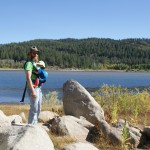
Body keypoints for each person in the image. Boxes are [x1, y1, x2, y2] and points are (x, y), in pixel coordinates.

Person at [24, 46, 43, 124]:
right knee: (34, 109)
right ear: (30, 54)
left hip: (38, 88)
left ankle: (35, 125)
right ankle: (30, 127)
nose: (36, 54)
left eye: (37, 53)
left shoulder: (35, 63)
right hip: (33, 88)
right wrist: (33, 91)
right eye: (34, 52)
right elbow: (28, 78)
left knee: (38, 108)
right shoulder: (29, 63)